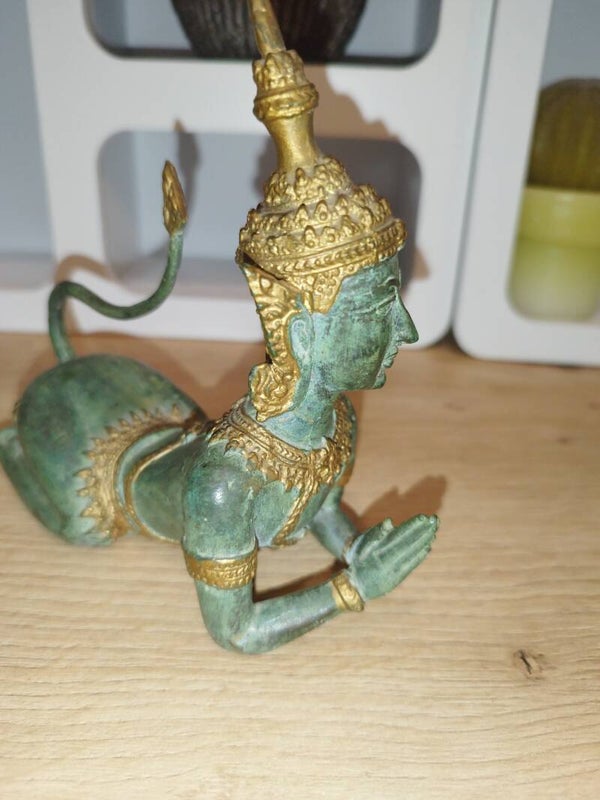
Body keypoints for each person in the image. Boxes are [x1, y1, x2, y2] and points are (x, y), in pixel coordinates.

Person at [0, 0, 438, 653]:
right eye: (377, 310)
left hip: (162, 421)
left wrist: (356, 548)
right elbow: (236, 630)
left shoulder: (338, 420)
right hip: (98, 469)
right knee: (90, 527)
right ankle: (11, 442)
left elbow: (319, 503)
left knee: (193, 425)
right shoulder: (227, 486)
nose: (406, 329)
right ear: (302, 335)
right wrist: (351, 589)